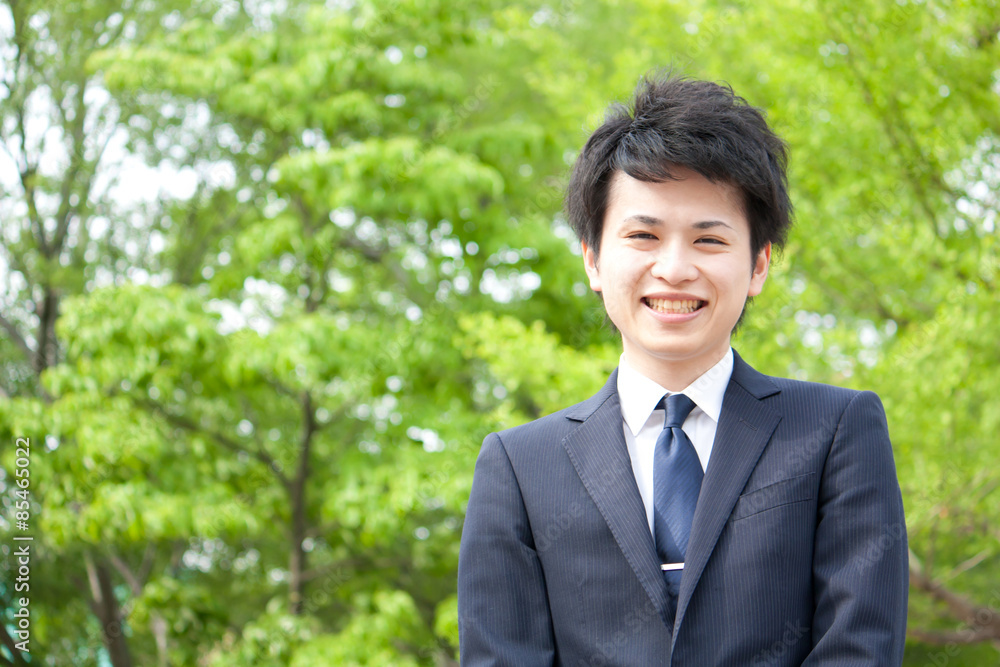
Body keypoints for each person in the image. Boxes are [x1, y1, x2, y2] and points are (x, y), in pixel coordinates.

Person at [457, 73, 908, 666]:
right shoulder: (519, 466)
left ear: (759, 265)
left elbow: (860, 650)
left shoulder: (835, 431)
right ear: (592, 259)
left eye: (709, 241)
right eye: (643, 235)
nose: (673, 269)